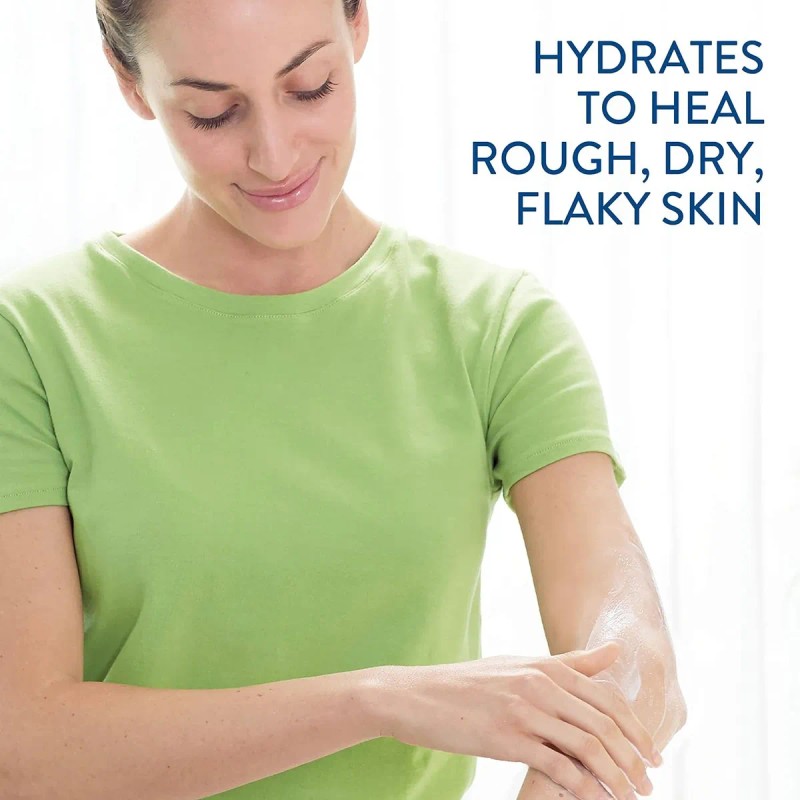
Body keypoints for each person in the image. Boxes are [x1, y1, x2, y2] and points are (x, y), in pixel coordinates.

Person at [0, 2, 644, 799]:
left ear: (358, 25)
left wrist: (574, 762)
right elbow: (23, 745)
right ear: (129, 79)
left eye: (310, 86)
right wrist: (377, 701)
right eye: (213, 113)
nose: (274, 155)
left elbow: (630, 654)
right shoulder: (34, 339)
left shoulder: (495, 325)